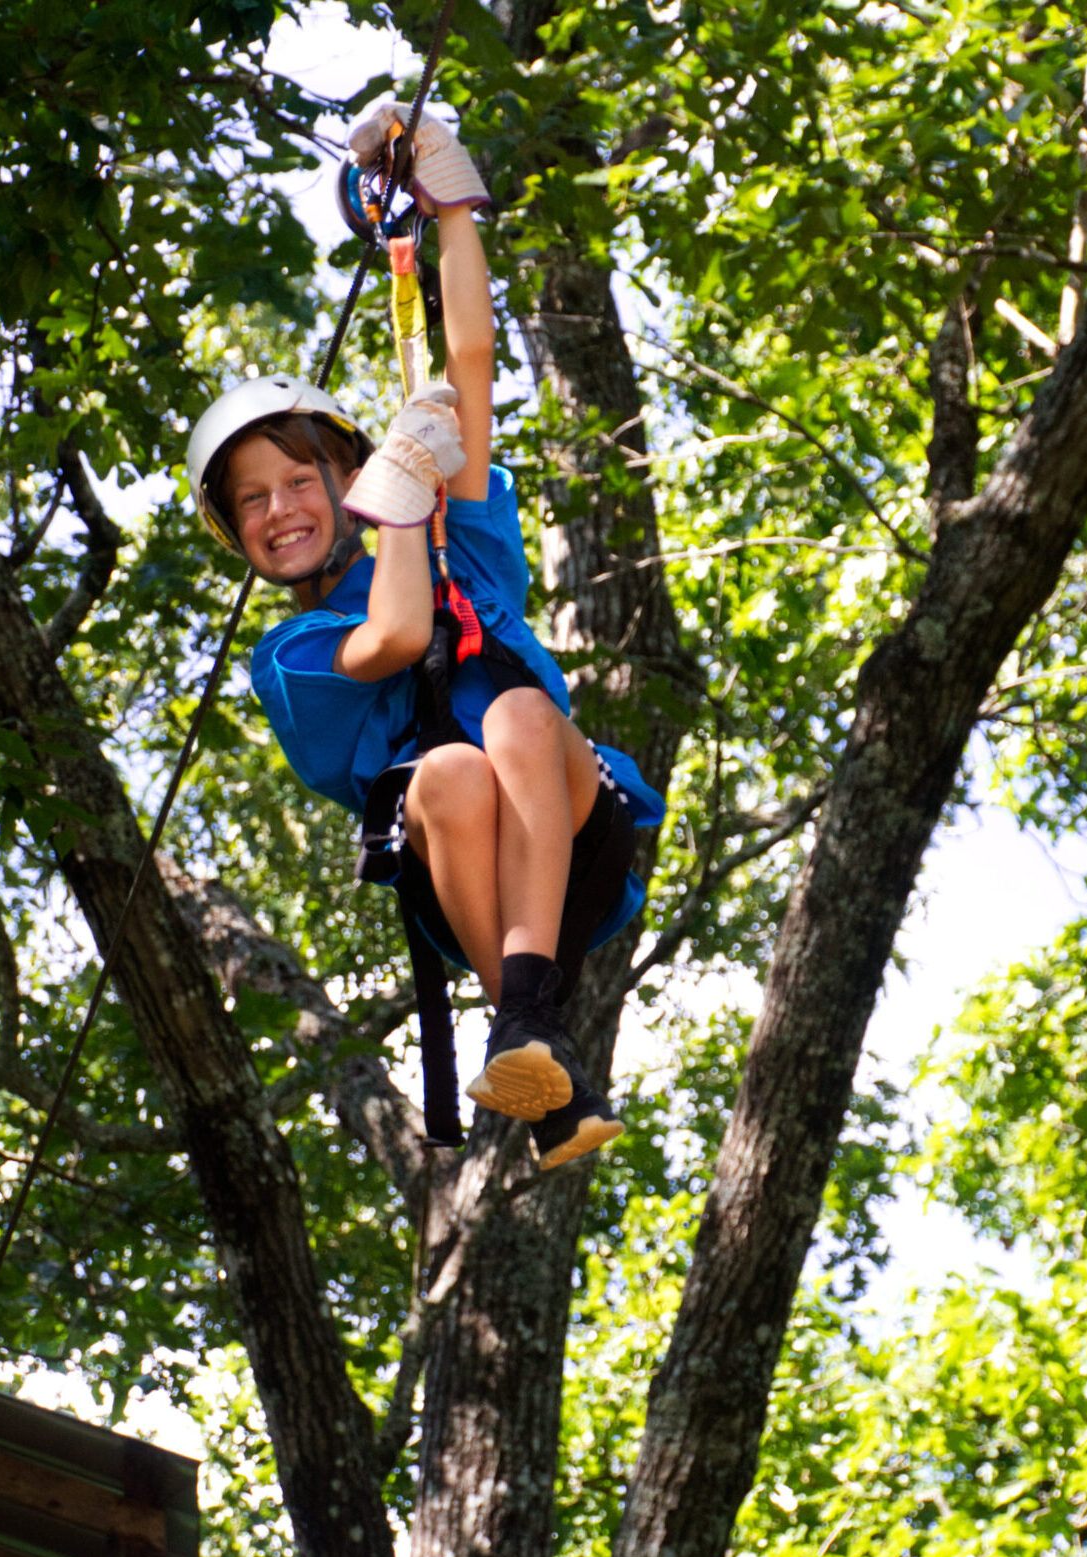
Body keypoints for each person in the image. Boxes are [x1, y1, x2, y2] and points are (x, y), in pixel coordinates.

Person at [183, 108, 666, 1170]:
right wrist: (396, 500)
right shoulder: (295, 656)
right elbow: (396, 635)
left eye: (298, 480)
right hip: (467, 885)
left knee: (520, 710)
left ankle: (528, 1020)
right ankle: (526, 1025)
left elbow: (468, 358)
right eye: (250, 502)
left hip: (572, 833)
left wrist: (449, 212)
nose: (279, 511)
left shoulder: (461, 551)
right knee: (444, 768)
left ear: (340, 478)